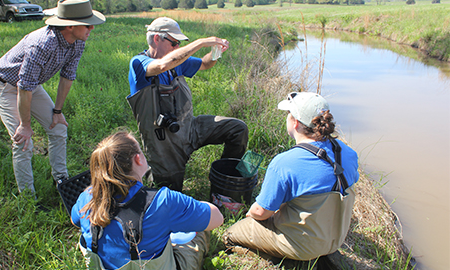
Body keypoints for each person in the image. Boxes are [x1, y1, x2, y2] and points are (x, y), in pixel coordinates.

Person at [0, 0, 105, 194]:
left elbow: (67, 77)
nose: (91, 29)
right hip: (5, 86)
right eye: (87, 25)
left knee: (58, 128)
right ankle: (27, 196)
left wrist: (57, 111)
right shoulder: (41, 44)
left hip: (31, 85)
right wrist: (25, 125)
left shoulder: (78, 42)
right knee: (23, 141)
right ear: (69, 26)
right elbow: (23, 87)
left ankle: (62, 180)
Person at [223, 92, 359, 261]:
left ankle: (284, 261)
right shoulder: (349, 153)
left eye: (288, 114)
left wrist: (249, 215)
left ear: (295, 123)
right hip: (335, 240)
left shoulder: (284, 163)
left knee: (231, 234)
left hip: (302, 247)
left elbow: (260, 212)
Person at [127, 17, 249, 192]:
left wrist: (216, 51)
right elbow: (162, 65)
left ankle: (226, 175)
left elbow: (206, 64)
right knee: (170, 193)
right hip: (163, 143)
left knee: (238, 129)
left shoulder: (178, 63)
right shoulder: (139, 63)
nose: (178, 47)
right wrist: (200, 43)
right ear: (156, 39)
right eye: (175, 42)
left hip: (189, 127)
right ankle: (151, 172)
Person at [71, 131, 224, 269]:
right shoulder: (163, 201)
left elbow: (75, 220)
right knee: (199, 233)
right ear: (138, 159)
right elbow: (217, 219)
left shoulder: (86, 197)